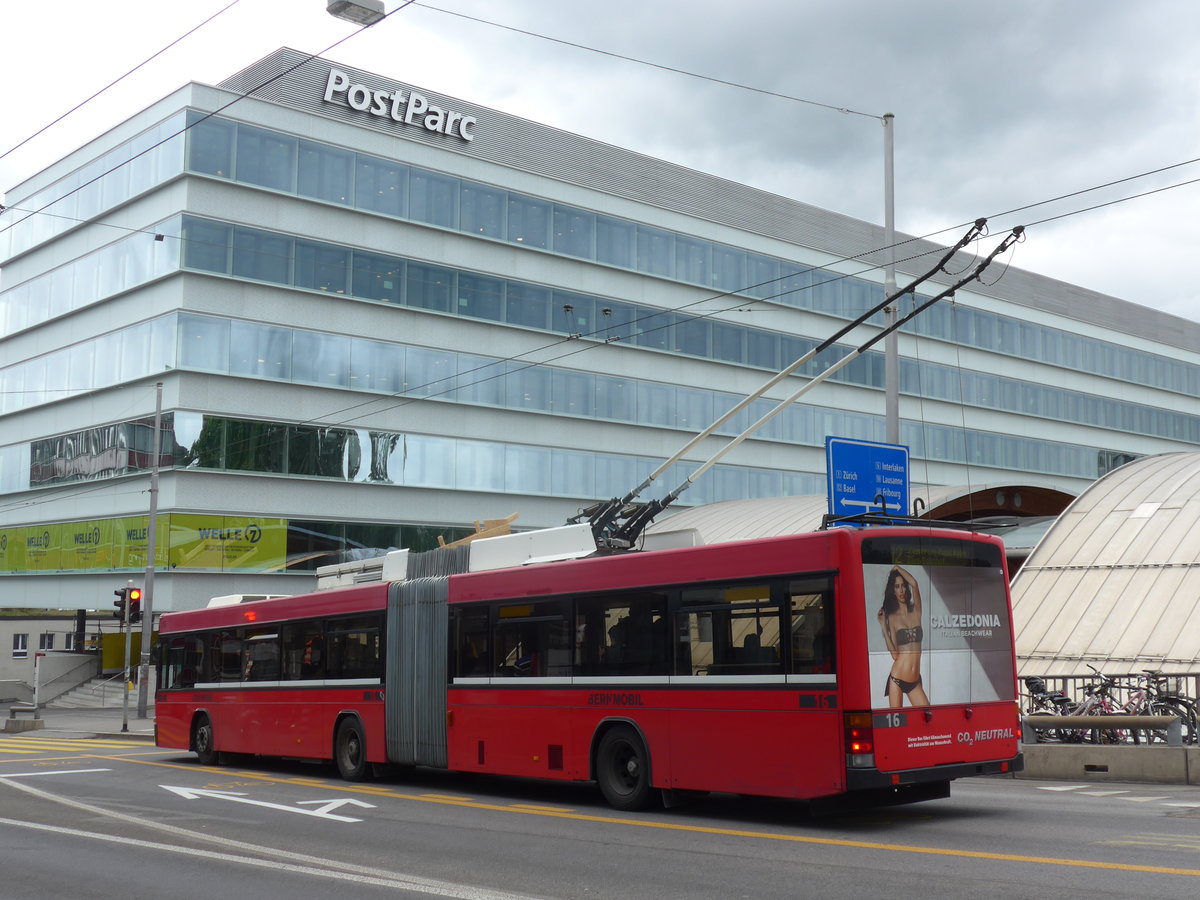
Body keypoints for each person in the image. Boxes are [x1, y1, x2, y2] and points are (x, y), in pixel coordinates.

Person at [877, 566, 930, 707]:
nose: (901, 590)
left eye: (903, 586)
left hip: (915, 681)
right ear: (893, 591)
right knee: (897, 724)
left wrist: (897, 568)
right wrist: (883, 625)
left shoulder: (917, 611)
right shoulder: (892, 618)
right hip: (897, 679)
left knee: (928, 718)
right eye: (897, 587)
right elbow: (895, 655)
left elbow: (915, 583)